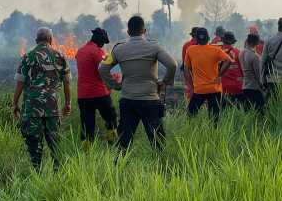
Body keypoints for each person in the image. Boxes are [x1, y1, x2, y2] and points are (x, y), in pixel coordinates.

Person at [99, 16, 177, 153]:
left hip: (127, 100)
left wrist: (115, 85)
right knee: (158, 141)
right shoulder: (154, 47)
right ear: (144, 30)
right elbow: (172, 64)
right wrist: (165, 82)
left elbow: (102, 69)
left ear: (128, 32)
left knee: (124, 141)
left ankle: (119, 170)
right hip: (150, 100)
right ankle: (163, 168)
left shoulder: (118, 49)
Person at [12, 27, 72, 170]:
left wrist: (14, 104)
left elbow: (20, 83)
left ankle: (36, 172)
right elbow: (67, 83)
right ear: (51, 40)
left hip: (32, 108)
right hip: (52, 107)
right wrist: (68, 103)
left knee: (33, 143)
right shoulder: (60, 56)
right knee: (55, 143)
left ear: (36, 40)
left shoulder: (27, 57)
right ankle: (58, 173)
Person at [75, 27, 117, 146]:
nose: (103, 45)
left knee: (87, 125)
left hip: (83, 95)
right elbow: (102, 71)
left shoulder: (80, 51)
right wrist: (113, 79)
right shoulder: (97, 52)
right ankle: (112, 143)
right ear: (98, 39)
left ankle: (87, 153)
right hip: (99, 93)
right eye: (103, 42)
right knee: (111, 118)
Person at [184, 27, 232, 121]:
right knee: (214, 119)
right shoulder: (215, 50)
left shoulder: (190, 50)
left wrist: (191, 85)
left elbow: (186, 69)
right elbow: (228, 61)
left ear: (196, 39)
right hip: (214, 89)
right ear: (208, 38)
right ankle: (214, 134)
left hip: (199, 89)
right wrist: (219, 75)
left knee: (190, 117)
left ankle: (190, 133)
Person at [240, 33, 265, 113]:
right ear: (257, 43)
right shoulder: (255, 57)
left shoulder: (241, 53)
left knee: (247, 112)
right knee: (260, 112)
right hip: (254, 88)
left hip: (244, 86)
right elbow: (258, 75)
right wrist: (263, 87)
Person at [219, 31, 244, 105]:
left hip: (223, 87)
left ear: (223, 40)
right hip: (238, 87)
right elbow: (243, 70)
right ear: (233, 42)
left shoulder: (218, 52)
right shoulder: (238, 52)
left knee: (223, 112)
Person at [180, 27, 199, 101]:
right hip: (200, 71)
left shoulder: (186, 45)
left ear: (192, 35)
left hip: (188, 71)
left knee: (190, 89)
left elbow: (184, 61)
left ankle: (190, 106)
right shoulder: (204, 45)